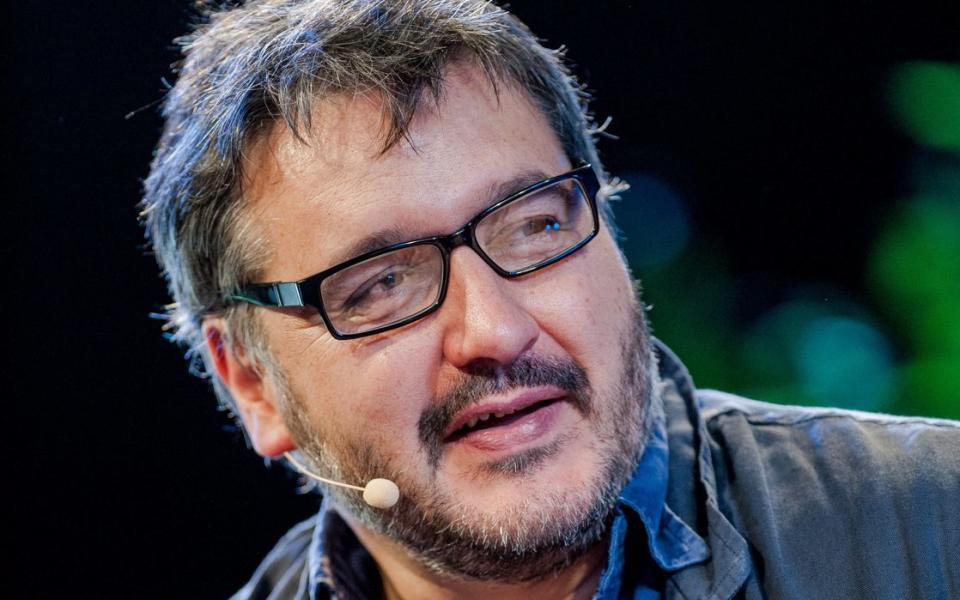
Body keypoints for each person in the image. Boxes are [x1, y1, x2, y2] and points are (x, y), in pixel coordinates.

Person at [141, 1, 960, 598]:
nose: (495, 328)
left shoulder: (932, 525)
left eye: (533, 227)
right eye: (383, 283)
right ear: (251, 383)